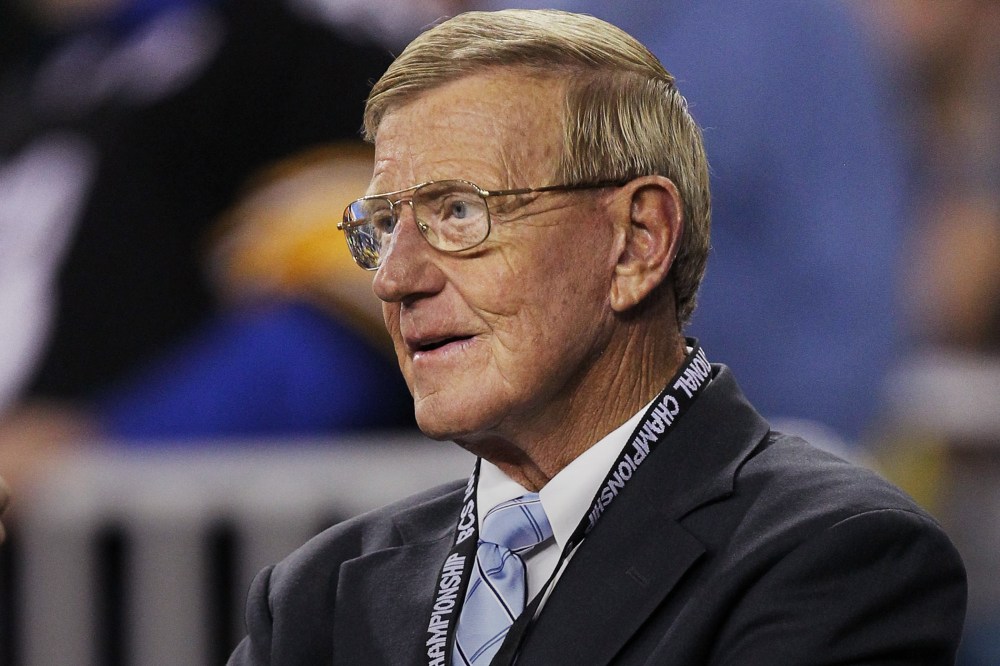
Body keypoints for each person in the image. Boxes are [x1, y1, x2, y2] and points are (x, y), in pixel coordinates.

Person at [228, 9, 967, 665]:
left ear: (637, 241)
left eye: (458, 213)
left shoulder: (831, 559)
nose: (394, 279)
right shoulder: (317, 596)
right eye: (384, 228)